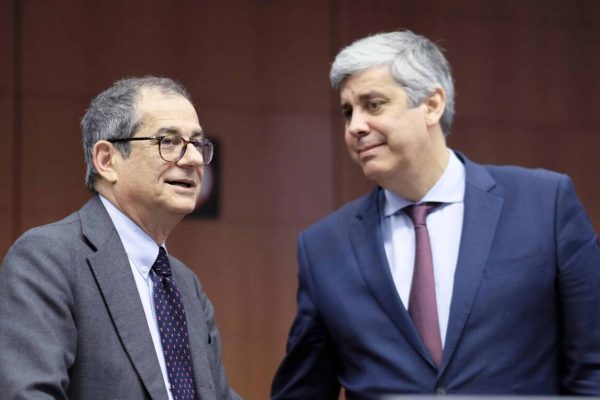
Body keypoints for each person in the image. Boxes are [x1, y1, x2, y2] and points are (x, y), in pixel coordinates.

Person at [271, 30, 600, 398]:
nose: (355, 126)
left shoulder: (545, 204)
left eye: (374, 104)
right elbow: (303, 390)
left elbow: (593, 365)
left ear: (432, 104)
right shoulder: (323, 247)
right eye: (348, 112)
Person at [0, 77, 240, 400]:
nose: (194, 159)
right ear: (107, 160)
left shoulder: (186, 285)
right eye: (168, 142)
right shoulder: (47, 260)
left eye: (197, 143)